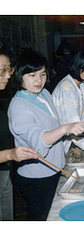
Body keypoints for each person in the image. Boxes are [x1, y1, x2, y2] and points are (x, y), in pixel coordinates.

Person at [8, 50, 84, 220]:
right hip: (37, 176)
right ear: (19, 75)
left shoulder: (43, 93)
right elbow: (39, 140)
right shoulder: (19, 106)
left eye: (42, 74)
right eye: (32, 75)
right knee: (40, 218)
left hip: (53, 169)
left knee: (53, 214)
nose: (39, 80)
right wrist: (65, 129)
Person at [0, 39, 38, 221]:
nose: (7, 75)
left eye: (9, 69)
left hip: (3, 172)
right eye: (2, 70)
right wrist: (10, 154)